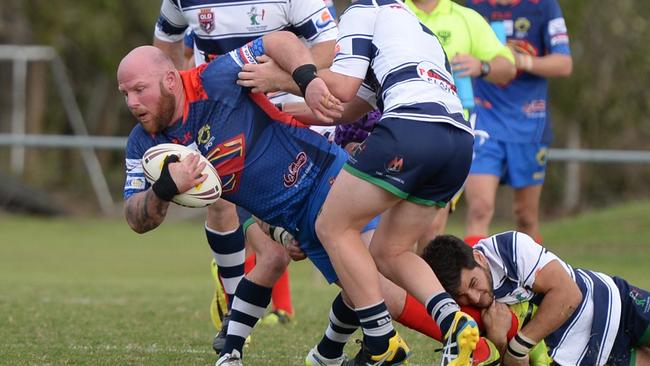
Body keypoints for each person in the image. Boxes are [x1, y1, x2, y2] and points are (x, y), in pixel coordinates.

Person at [291, 1, 479, 364]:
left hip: (411, 128)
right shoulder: (415, 26)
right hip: (458, 141)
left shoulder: (364, 11)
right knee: (389, 252)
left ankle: (381, 340)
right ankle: (455, 323)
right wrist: (281, 111)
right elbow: (351, 106)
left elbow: (342, 85)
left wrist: (288, 76)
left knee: (333, 227)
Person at [151, 0, 339, 350]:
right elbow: (164, 45)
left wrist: (283, 78)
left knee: (325, 232)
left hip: (289, 115)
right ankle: (233, 302)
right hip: (220, 119)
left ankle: (353, 329)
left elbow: (332, 46)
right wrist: (184, 100)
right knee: (224, 205)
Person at [421, 232, 650, 365]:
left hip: (615, 304)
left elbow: (569, 294)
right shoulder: (464, 317)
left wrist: (517, 345)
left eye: (473, 284)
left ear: (479, 258)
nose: (475, 298)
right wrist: (501, 342)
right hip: (584, 358)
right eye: (463, 296)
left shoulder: (509, 248)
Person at [401, 0, 516, 251]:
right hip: (397, 129)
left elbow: (507, 66)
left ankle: (421, 291)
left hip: (450, 134)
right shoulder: (394, 11)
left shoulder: (466, 18)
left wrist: (481, 66)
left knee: (431, 228)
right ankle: (382, 291)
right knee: (388, 229)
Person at [463, 0, 573, 246]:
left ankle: (532, 281)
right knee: (480, 208)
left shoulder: (544, 7)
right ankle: (472, 283)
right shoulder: (473, 7)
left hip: (529, 122)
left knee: (526, 216)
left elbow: (564, 64)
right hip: (485, 118)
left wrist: (522, 62)